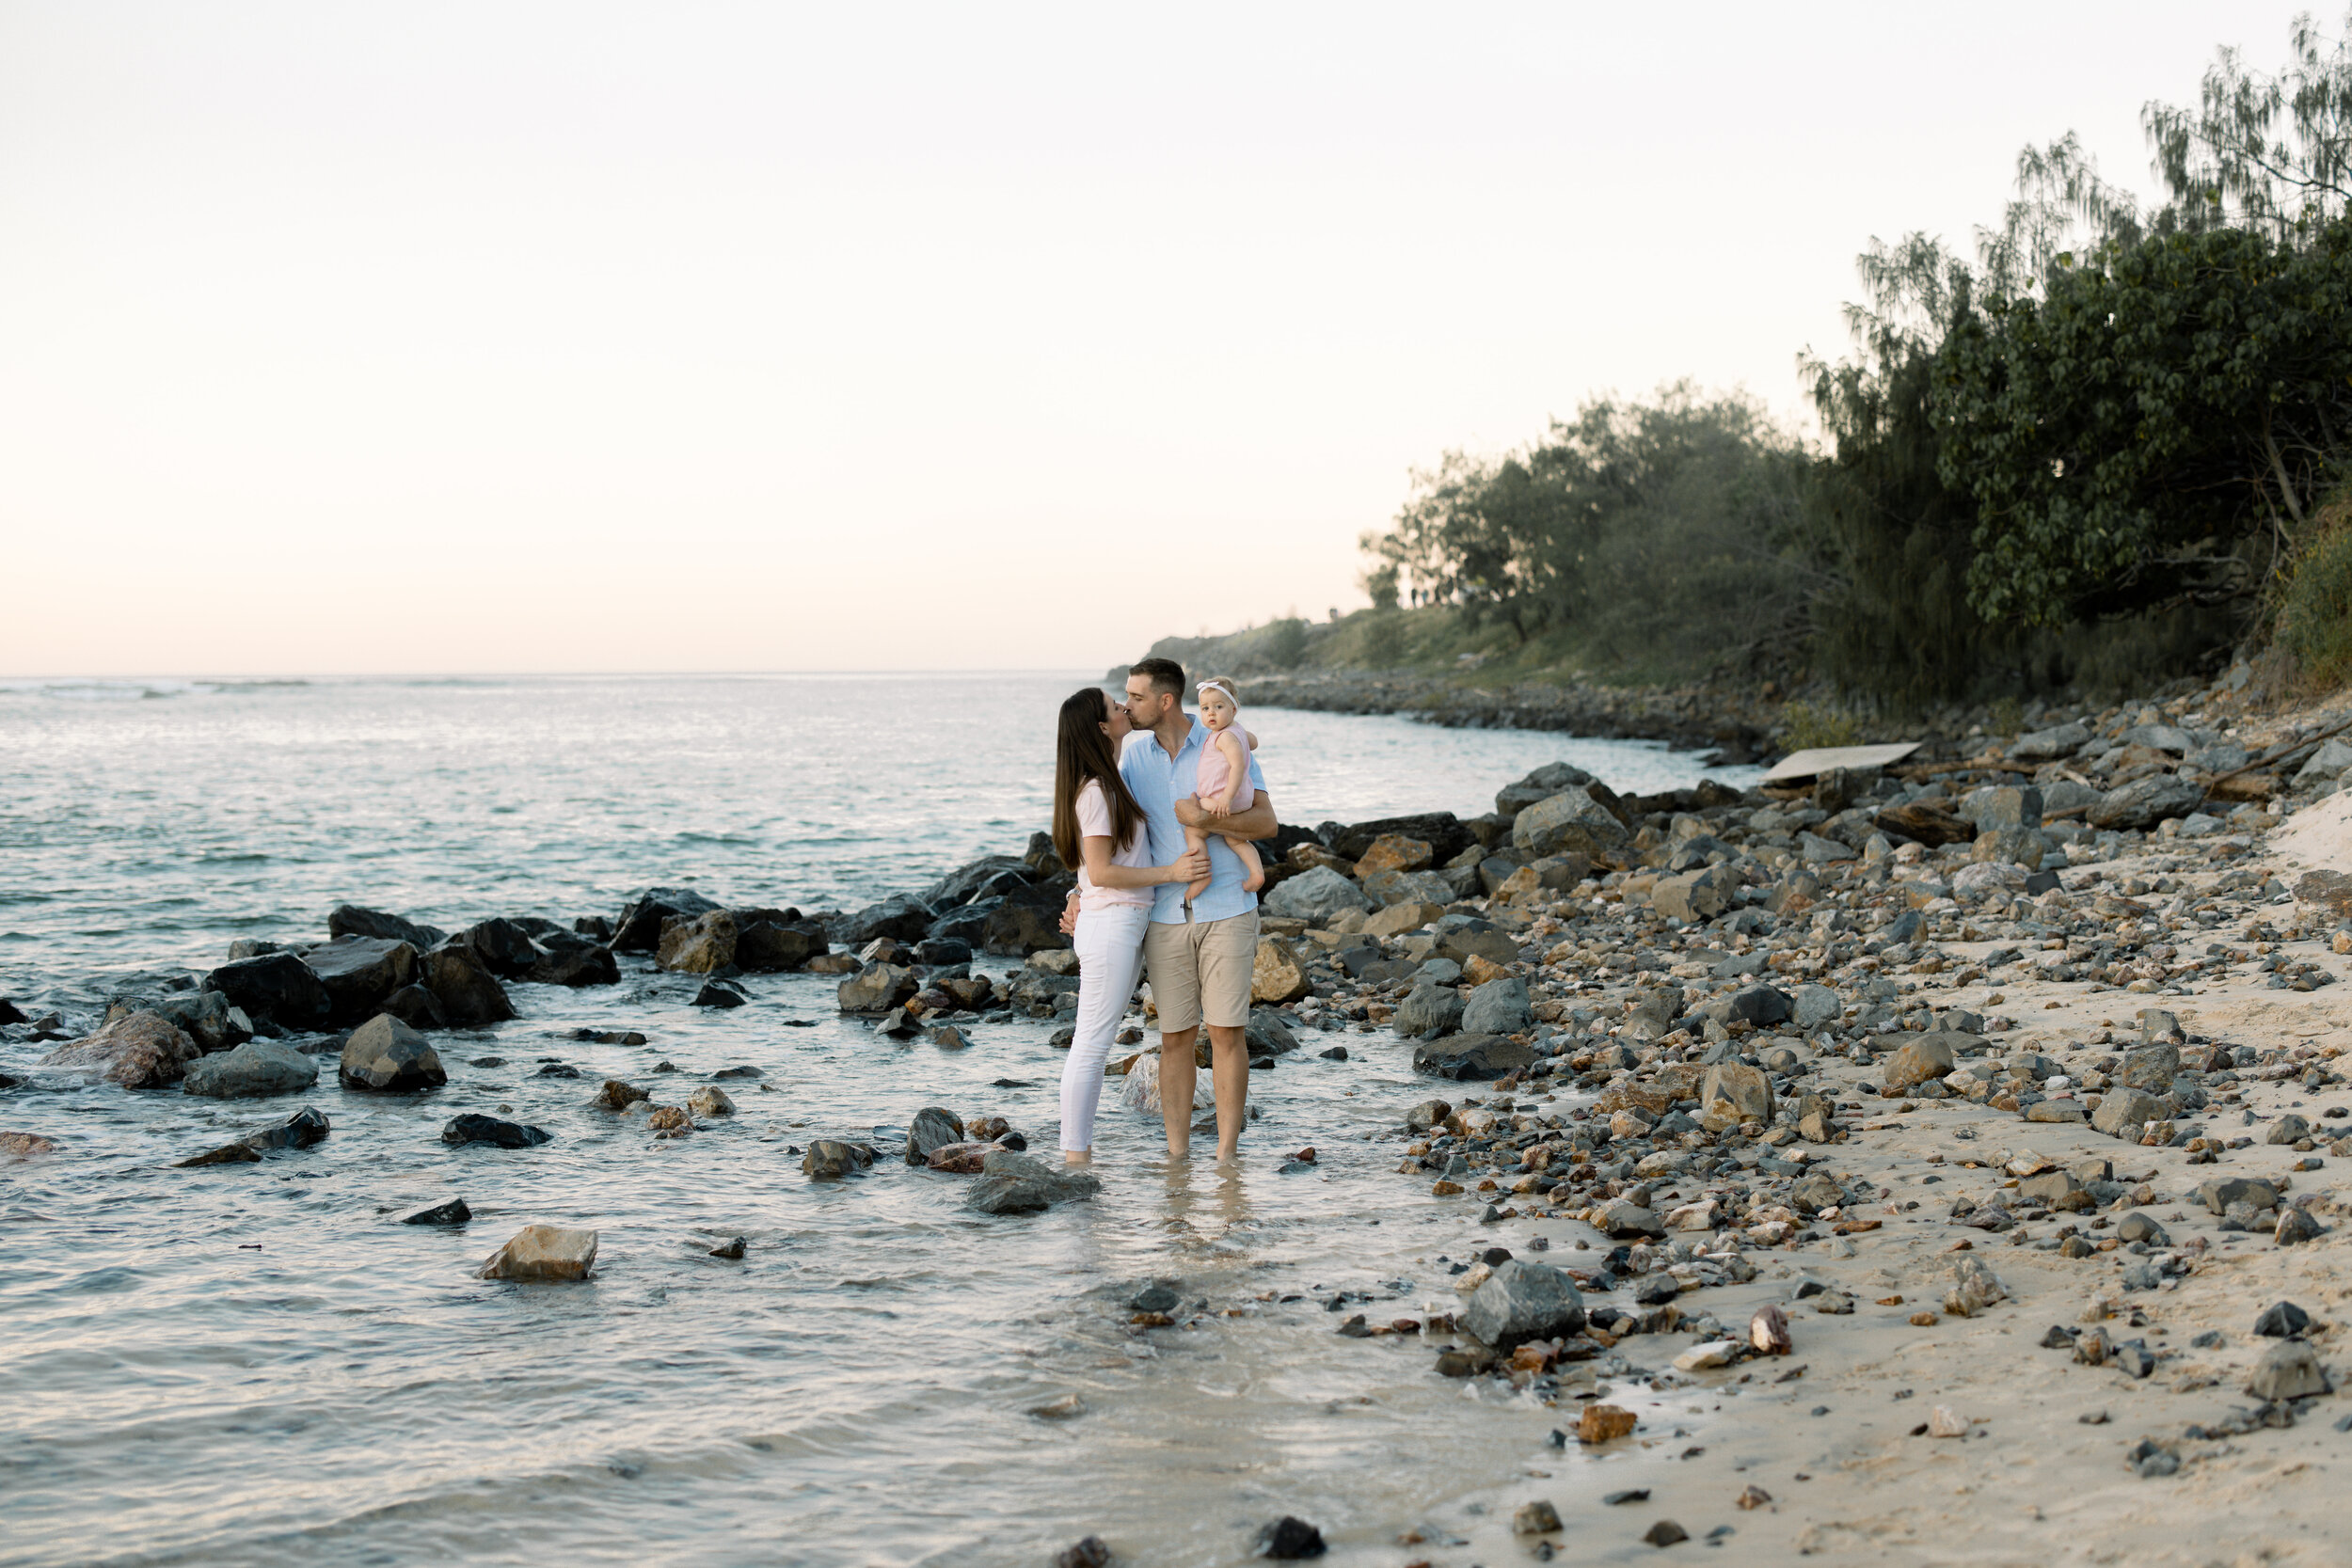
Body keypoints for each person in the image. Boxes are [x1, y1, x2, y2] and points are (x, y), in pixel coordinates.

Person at [1110, 657, 1279, 1162]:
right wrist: (1080, 894)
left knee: (1227, 1032)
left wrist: (1204, 816)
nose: (1127, 705)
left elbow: (1267, 822)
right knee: (1175, 1037)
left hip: (1227, 907)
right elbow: (1108, 836)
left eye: (1135, 697)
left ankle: (1228, 1158)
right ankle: (1177, 1158)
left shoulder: (1223, 738)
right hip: (1164, 915)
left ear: (1165, 700)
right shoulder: (1133, 759)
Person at [1048, 686, 1210, 1166]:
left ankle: (1076, 1150)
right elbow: (1101, 871)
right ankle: (1075, 1155)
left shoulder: (1108, 779)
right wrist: (1171, 873)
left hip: (1119, 923)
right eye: (1114, 707)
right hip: (1111, 928)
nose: (1123, 707)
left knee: (1093, 1040)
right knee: (1093, 1043)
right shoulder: (1096, 790)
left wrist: (1078, 894)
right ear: (1101, 727)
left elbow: (1089, 872)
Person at [1182, 676, 1264, 900]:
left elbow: (1237, 765)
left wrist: (1226, 798)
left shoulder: (1224, 737)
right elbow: (1254, 742)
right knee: (1236, 839)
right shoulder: (1238, 731)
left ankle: (1202, 876)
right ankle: (1256, 874)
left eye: (1218, 707)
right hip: (1242, 798)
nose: (1211, 713)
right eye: (1205, 708)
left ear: (1234, 709)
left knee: (1193, 828)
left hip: (1223, 798)